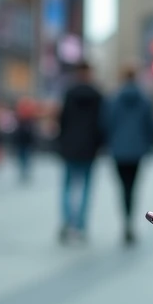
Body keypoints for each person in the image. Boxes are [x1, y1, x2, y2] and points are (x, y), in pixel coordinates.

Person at [101, 67, 153, 245]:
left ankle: (125, 221)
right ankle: (130, 222)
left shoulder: (114, 99)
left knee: (122, 187)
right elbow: (150, 126)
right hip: (138, 150)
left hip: (118, 150)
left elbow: (106, 123)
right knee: (133, 187)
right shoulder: (144, 99)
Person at [57, 61, 104, 241]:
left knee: (68, 187)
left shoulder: (69, 92)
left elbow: (63, 120)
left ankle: (67, 222)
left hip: (69, 146)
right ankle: (81, 225)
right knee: (85, 187)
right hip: (89, 148)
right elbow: (101, 123)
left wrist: (61, 142)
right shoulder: (97, 94)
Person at [13, 99, 38, 184]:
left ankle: (25, 171)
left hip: (26, 143)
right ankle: (24, 171)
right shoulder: (21, 121)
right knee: (23, 158)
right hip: (22, 142)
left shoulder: (29, 121)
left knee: (25, 158)